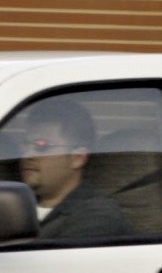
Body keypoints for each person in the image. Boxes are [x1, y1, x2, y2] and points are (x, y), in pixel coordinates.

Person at [18, 98, 132, 240]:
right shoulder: (15, 206)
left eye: (41, 146)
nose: (27, 155)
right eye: (25, 145)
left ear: (77, 158)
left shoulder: (98, 216)